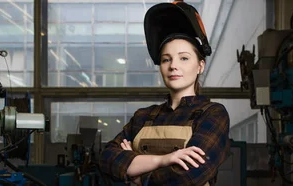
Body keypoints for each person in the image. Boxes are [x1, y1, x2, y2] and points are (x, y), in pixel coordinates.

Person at [99, 1, 231, 186]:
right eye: (166, 59)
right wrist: (163, 160)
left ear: (200, 66)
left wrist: (136, 173)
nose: (173, 66)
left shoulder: (213, 114)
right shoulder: (143, 117)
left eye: (184, 58)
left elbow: (188, 175)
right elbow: (106, 159)